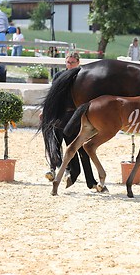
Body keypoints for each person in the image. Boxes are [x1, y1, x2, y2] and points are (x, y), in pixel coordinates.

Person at [43, 52, 92, 184]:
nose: (69, 65)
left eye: (72, 62)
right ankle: (52, 168)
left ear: (78, 63)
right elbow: (52, 97)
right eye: (68, 62)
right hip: (59, 114)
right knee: (55, 142)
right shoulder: (59, 76)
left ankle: (73, 171)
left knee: (76, 145)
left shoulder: (81, 77)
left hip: (74, 116)